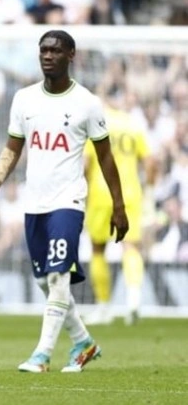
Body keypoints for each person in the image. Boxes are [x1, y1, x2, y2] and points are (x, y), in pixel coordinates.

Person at [0, 30, 129, 373]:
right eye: (43, 50)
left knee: (58, 276)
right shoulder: (24, 99)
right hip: (35, 203)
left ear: (71, 55)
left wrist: (118, 206)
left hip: (68, 201)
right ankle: (84, 343)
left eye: (56, 50)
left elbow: (105, 157)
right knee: (47, 281)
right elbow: (12, 147)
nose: (48, 56)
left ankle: (42, 355)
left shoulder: (87, 103)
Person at [83, 104, 156, 326]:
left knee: (97, 247)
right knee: (131, 246)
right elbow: (151, 163)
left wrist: (84, 189)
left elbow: (86, 164)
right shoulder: (134, 126)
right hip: (130, 193)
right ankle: (133, 301)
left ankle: (104, 307)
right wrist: (149, 189)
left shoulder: (97, 125)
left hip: (100, 192)